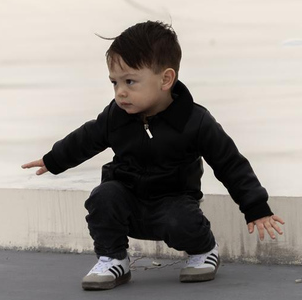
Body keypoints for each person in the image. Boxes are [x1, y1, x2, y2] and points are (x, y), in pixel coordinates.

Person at [22, 21, 284, 290]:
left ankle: (204, 250)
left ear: (166, 79)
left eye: (130, 81)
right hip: (128, 199)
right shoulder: (117, 115)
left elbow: (229, 163)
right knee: (103, 197)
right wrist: (54, 159)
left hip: (173, 202)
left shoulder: (196, 121)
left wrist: (256, 207)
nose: (120, 92)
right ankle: (113, 258)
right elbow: (87, 138)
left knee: (180, 220)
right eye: (115, 82)